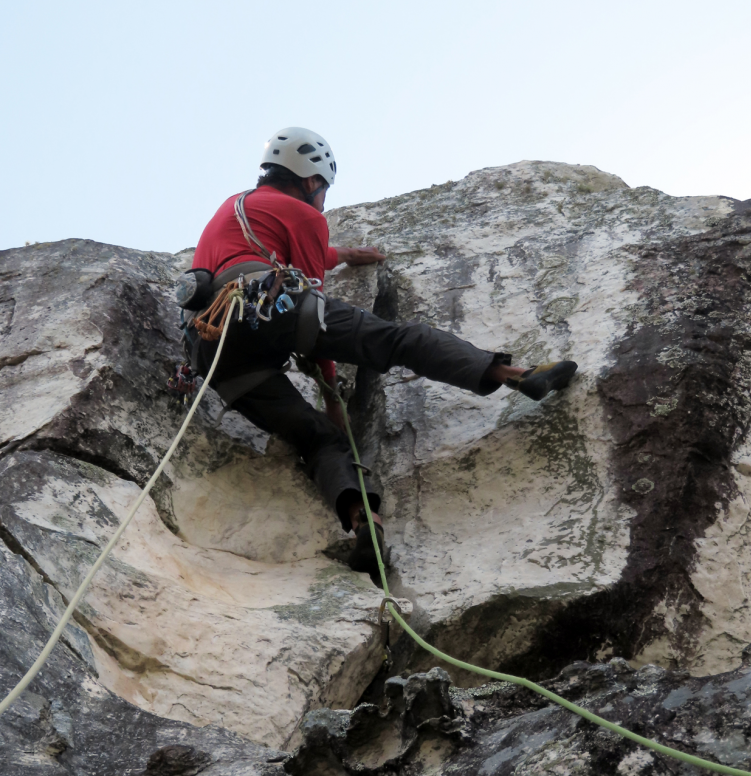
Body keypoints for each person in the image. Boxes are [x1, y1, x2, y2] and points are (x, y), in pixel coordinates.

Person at [185, 127, 577, 580]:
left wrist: (347, 254)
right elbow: (312, 313)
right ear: (312, 180)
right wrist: (333, 398)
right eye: (324, 189)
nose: (324, 200)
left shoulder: (230, 210)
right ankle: (515, 374)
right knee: (398, 341)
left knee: (317, 441)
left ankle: (361, 523)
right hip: (270, 311)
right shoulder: (303, 214)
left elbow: (276, 249)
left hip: (212, 348)